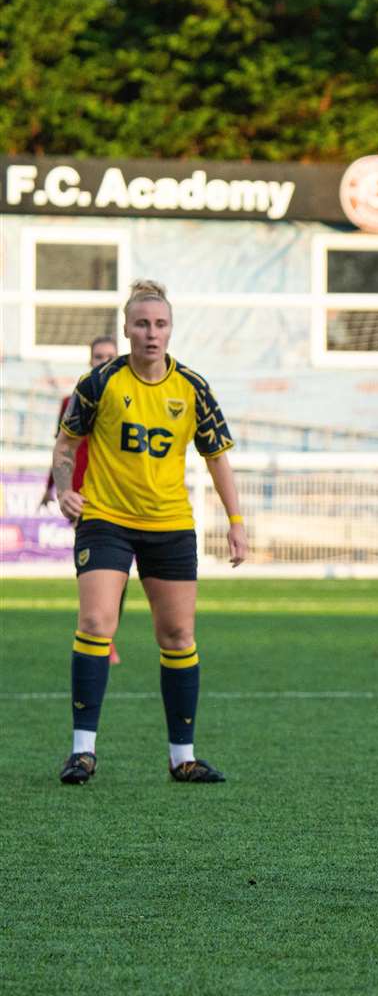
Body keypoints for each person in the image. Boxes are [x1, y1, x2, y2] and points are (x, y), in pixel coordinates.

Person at [52, 279, 247, 785]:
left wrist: (237, 522)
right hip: (107, 520)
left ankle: (183, 757)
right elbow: (65, 446)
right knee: (96, 622)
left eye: (160, 324)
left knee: (178, 634)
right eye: (142, 324)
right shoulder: (99, 384)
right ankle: (82, 751)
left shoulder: (193, 388)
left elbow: (218, 458)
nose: (151, 333)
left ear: (170, 329)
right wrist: (62, 489)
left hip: (170, 526)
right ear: (126, 329)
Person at [41, 335, 124, 666]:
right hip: (82, 496)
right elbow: (63, 447)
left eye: (109, 355)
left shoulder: (127, 398)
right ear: (89, 360)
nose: (103, 360)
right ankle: (98, 636)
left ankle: (104, 634)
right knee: (96, 566)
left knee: (117, 570)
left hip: (118, 495)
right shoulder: (72, 400)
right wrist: (53, 488)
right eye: (97, 356)